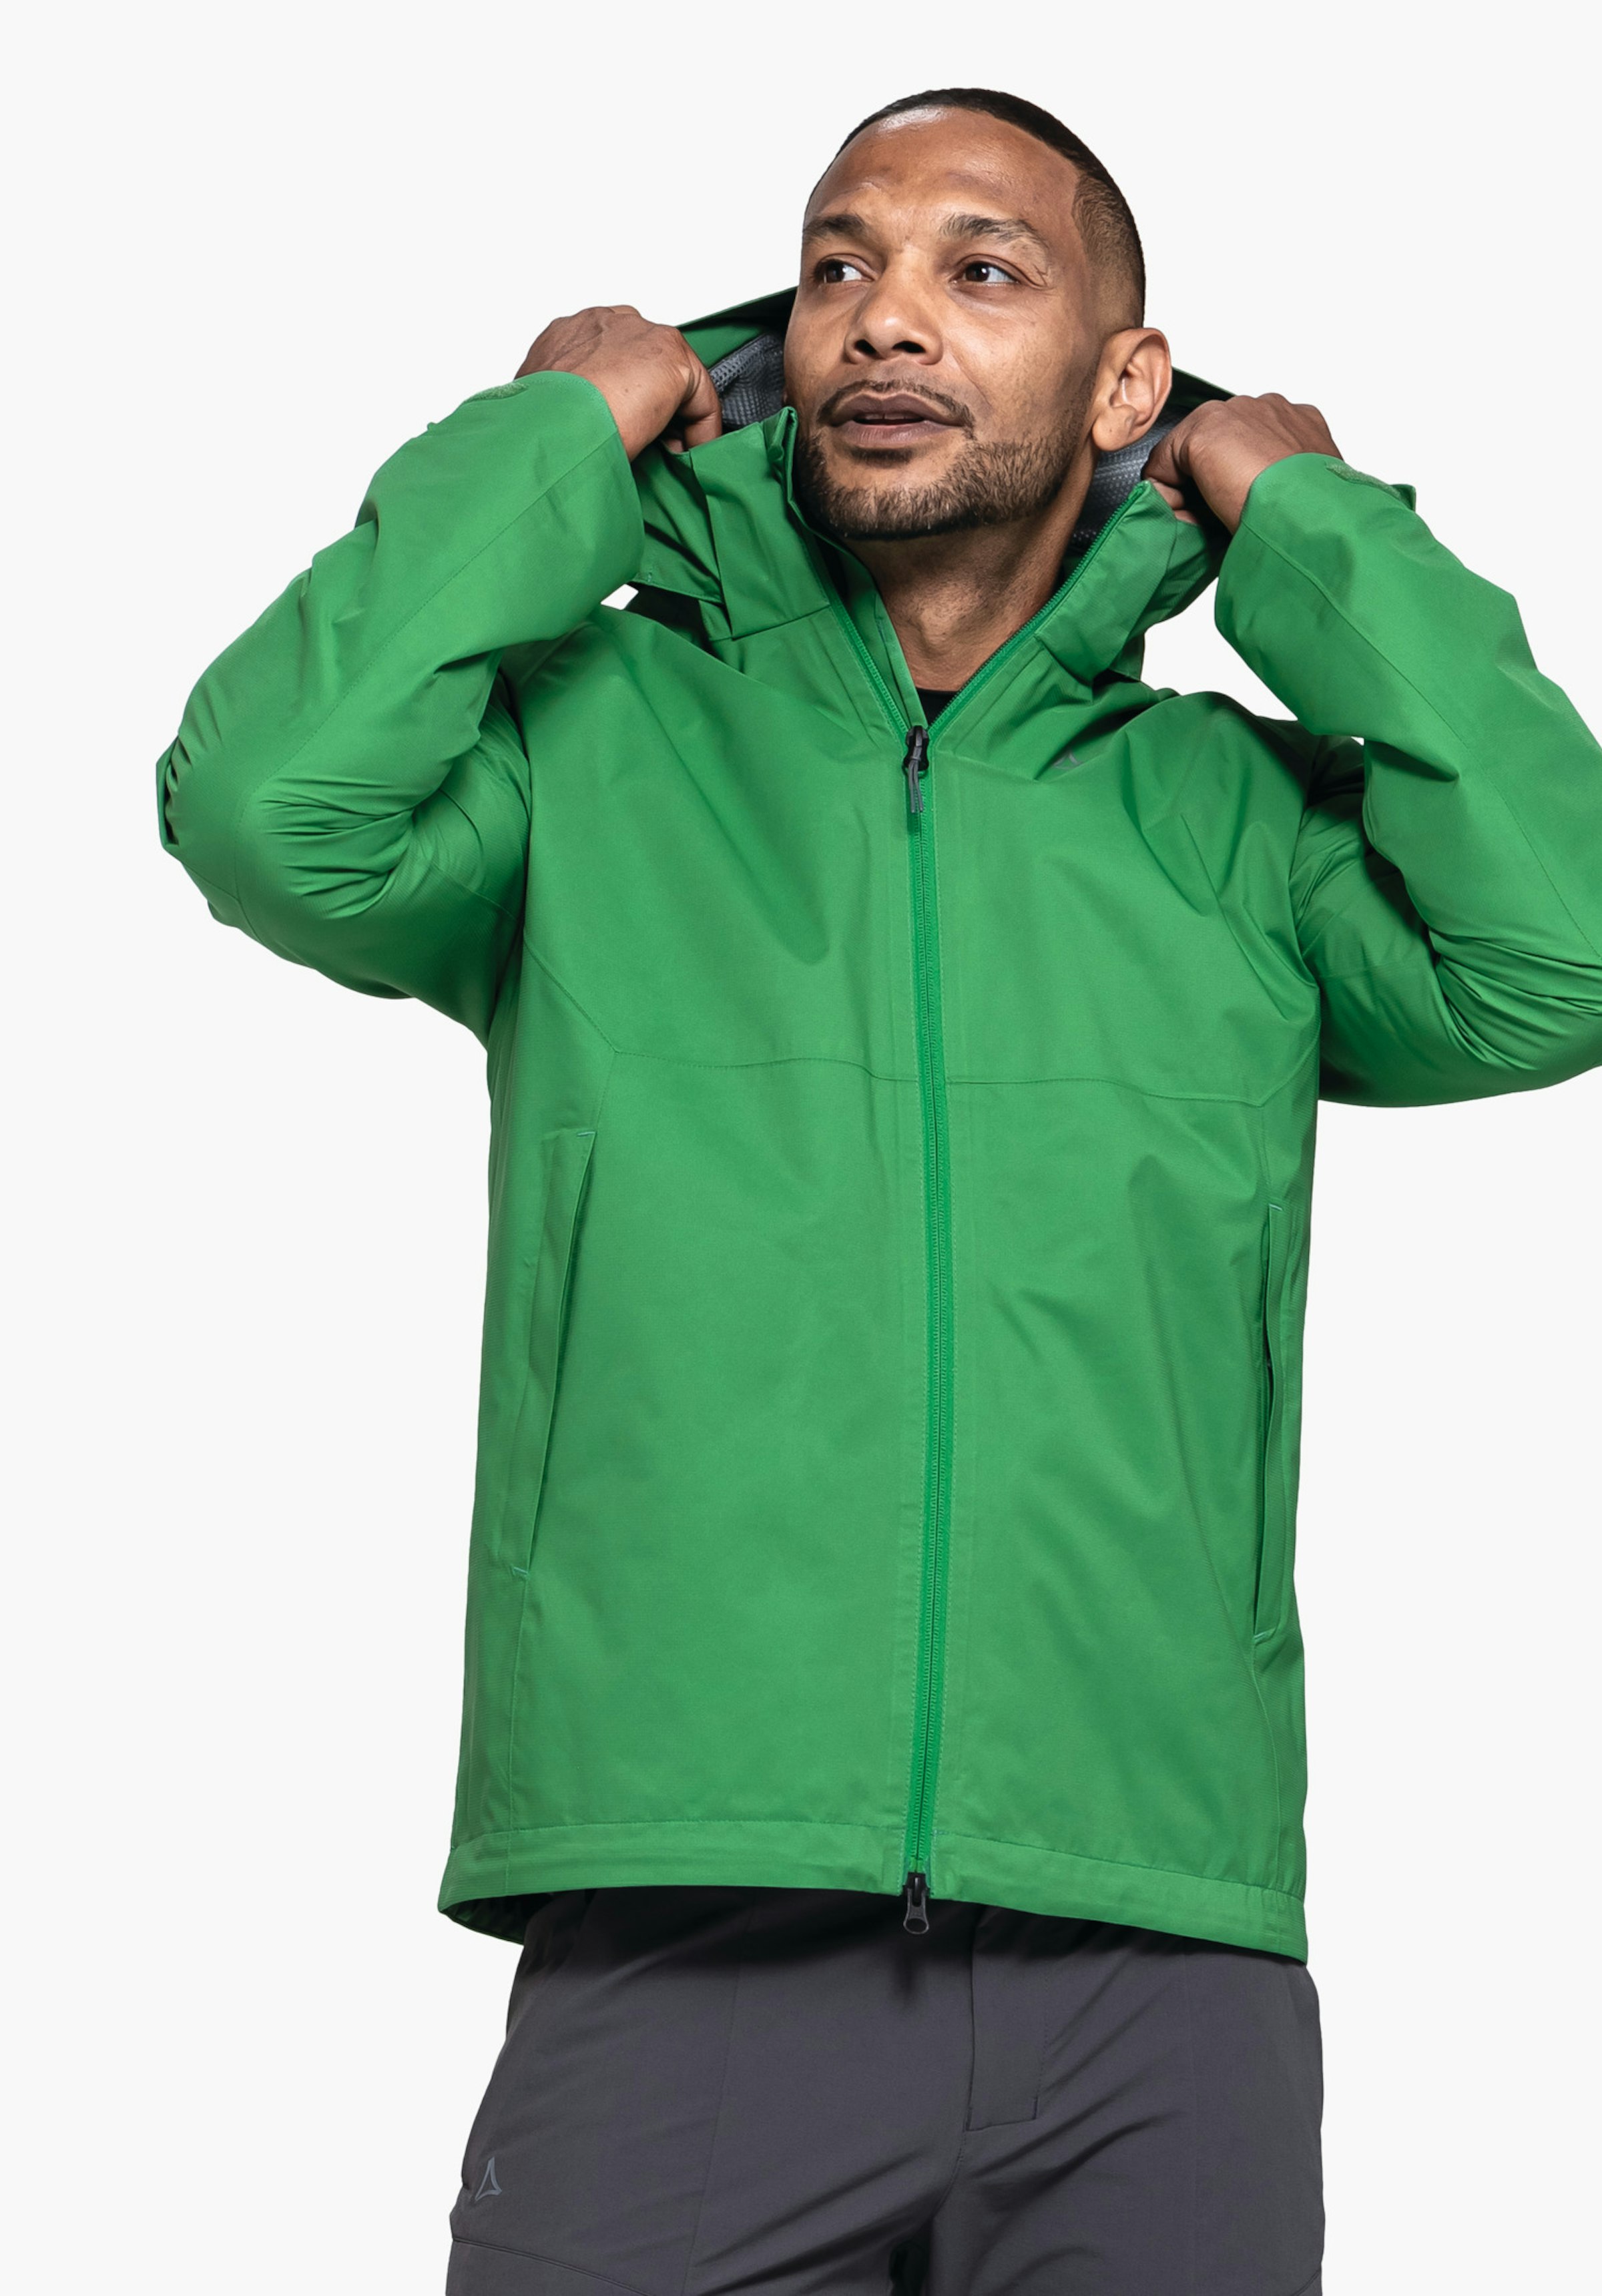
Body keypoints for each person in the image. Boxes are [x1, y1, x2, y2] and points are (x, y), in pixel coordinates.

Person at [158, 84, 1602, 2296]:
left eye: (979, 268)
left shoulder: (1238, 824)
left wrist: (1315, 526)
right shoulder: (589, 748)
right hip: (689, 1924)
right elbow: (271, 807)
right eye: (838, 265)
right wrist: (551, 436)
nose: (885, 316)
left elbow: (1560, 953)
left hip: (1160, 1955)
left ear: (1127, 386)